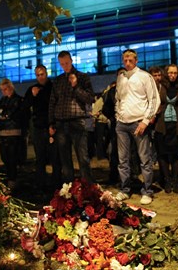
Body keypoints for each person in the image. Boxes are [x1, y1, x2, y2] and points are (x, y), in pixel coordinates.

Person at [114, 49, 160, 205]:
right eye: (125, 60)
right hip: (122, 124)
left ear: (136, 60)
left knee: (144, 159)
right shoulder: (121, 77)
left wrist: (145, 121)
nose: (127, 62)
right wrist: (117, 116)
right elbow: (118, 99)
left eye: (130, 60)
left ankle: (147, 191)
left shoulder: (144, 76)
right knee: (123, 160)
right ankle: (125, 189)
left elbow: (154, 100)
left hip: (138, 122)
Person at [48, 51, 96, 184]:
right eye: (62, 64)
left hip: (78, 121)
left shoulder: (82, 77)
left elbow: (90, 98)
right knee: (65, 160)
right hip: (61, 123)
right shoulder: (58, 80)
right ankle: (68, 190)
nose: (65, 66)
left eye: (67, 63)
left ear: (71, 61)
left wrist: (76, 86)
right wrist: (51, 122)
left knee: (83, 158)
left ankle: (88, 187)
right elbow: (52, 102)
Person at [153, 64, 178, 194]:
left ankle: (175, 180)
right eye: (170, 73)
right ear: (166, 73)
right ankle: (166, 180)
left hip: (177, 125)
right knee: (162, 154)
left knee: (176, 154)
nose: (172, 75)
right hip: (162, 125)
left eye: (175, 73)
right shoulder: (160, 88)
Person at [23, 65, 62, 193]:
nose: (40, 77)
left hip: (52, 127)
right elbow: (25, 106)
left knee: (55, 158)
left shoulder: (53, 87)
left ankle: (56, 185)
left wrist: (54, 125)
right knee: (40, 158)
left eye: (42, 74)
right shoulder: (32, 89)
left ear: (46, 73)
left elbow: (56, 106)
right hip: (38, 128)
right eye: (38, 75)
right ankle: (41, 185)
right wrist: (32, 96)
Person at [0, 78, 24, 190]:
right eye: (2, 89)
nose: (3, 91)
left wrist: (4, 115)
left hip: (13, 133)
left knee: (12, 158)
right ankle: (10, 180)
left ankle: (12, 181)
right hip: (3, 133)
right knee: (6, 158)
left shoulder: (17, 100)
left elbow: (11, 114)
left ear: (11, 87)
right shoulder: (3, 100)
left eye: (5, 89)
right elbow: (0, 114)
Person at [101, 67, 125, 185]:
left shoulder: (134, 88)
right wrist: (112, 116)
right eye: (119, 74)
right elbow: (105, 108)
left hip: (131, 124)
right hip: (116, 126)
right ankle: (114, 176)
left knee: (130, 153)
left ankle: (131, 176)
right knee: (115, 152)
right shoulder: (112, 91)